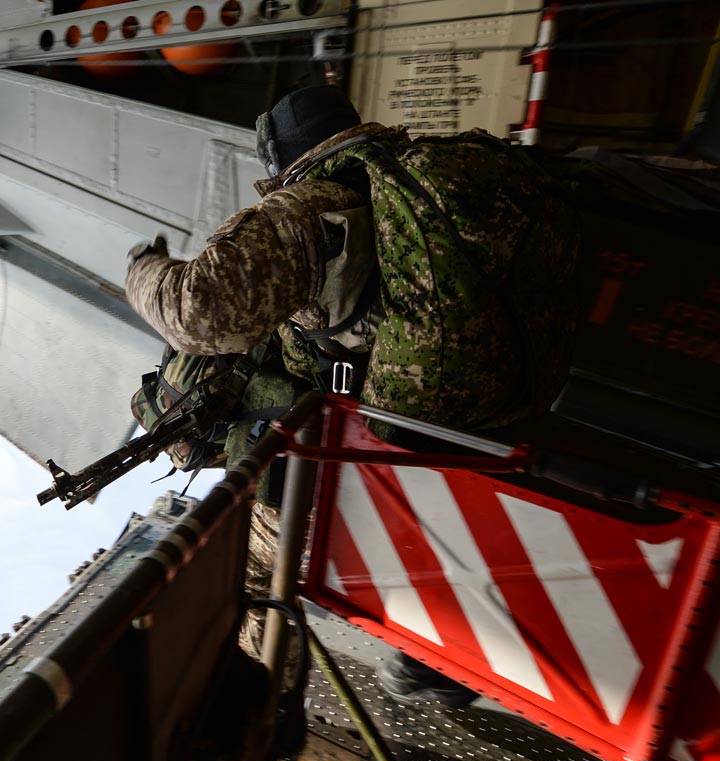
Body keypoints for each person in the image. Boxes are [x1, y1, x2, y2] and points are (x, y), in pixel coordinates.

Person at [125, 86, 578, 707]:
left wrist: (141, 269)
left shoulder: (316, 203)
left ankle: (261, 716)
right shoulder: (422, 170)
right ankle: (432, 646)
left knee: (244, 567)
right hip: (519, 397)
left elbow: (195, 310)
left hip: (413, 430)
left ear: (281, 162)